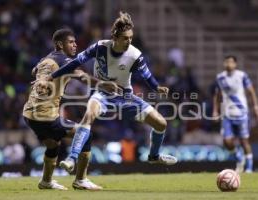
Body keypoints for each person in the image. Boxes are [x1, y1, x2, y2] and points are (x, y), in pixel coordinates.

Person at [47, 12, 178, 173]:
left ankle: (154, 155)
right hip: (101, 94)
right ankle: (71, 158)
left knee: (161, 123)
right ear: (115, 37)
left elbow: (147, 76)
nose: (129, 41)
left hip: (125, 97)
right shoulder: (100, 47)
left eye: (130, 37)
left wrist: (157, 87)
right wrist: (52, 76)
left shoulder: (135, 55)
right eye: (125, 38)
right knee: (89, 115)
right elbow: (75, 62)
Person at [23, 28, 119, 190]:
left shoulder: (45, 59)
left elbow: (34, 71)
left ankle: (46, 181)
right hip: (45, 116)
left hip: (29, 115)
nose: (75, 45)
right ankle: (81, 180)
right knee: (85, 133)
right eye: (71, 42)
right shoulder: (65, 61)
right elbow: (81, 76)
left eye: (75, 42)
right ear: (60, 44)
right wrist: (103, 85)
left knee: (53, 144)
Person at [212, 55, 258, 173]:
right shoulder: (220, 77)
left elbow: (251, 91)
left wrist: (255, 107)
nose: (228, 64)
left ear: (235, 64)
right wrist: (215, 110)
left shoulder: (241, 76)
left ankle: (249, 168)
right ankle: (238, 154)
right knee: (226, 141)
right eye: (226, 62)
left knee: (244, 141)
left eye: (230, 62)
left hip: (241, 113)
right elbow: (217, 95)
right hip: (227, 114)